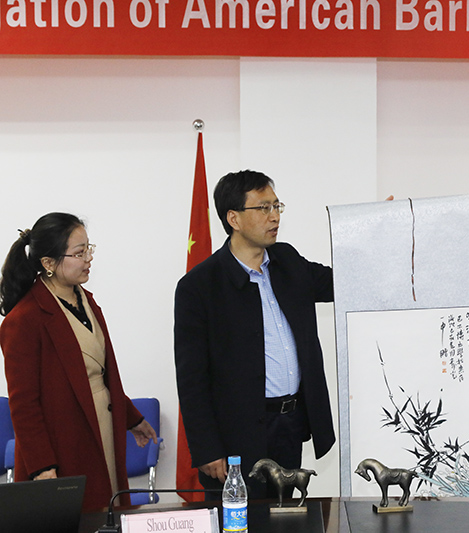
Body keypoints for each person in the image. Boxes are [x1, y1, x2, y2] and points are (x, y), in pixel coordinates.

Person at [174, 170, 335, 500]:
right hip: (235, 436)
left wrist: (373, 231)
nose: (274, 216)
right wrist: (206, 448)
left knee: (284, 516)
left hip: (290, 424)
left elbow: (341, 282)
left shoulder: (288, 261)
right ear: (233, 218)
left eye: (277, 206)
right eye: (263, 208)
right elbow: (192, 378)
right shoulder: (200, 286)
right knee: (238, 520)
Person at [0, 213, 157, 511]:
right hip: (64, 441)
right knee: (79, 517)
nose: (88, 259)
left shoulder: (85, 300)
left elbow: (100, 373)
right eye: (79, 253)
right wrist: (42, 466)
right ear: (48, 263)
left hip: (102, 429)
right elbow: (23, 404)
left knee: (108, 511)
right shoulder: (24, 319)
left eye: (89, 249)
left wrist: (132, 418)